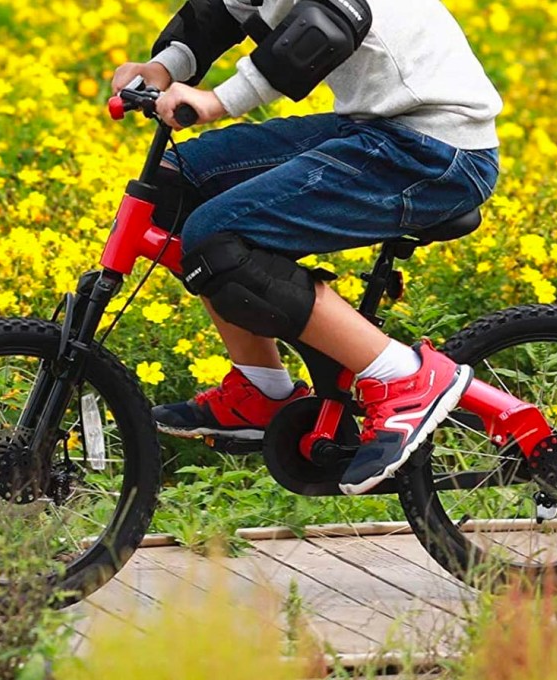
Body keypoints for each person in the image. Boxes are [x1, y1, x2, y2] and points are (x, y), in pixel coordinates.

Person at [111, 0, 502, 495]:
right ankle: (262, 390)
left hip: (435, 150)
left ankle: (406, 377)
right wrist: (164, 66)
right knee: (177, 185)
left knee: (216, 236)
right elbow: (222, 11)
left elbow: (326, 25)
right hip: (375, 128)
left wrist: (217, 101)